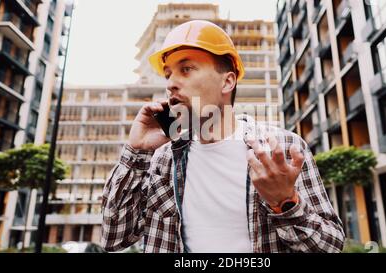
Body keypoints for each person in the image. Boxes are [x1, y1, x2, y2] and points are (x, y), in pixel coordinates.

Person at [101, 20, 345, 253]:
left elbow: (330, 246)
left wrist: (285, 202)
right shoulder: (160, 159)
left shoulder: (281, 149)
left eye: (186, 69)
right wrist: (136, 152)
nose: (171, 83)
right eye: (168, 74)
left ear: (227, 81)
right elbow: (114, 238)